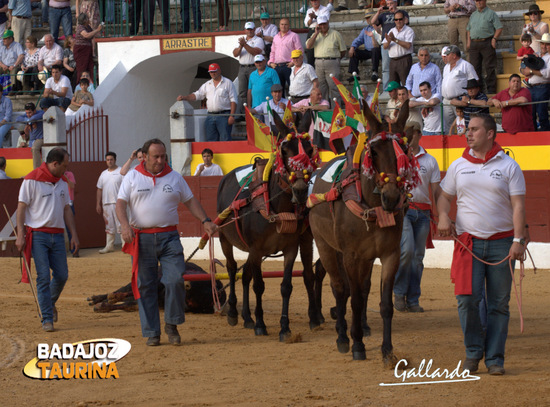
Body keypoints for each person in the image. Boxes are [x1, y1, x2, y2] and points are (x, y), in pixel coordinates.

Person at [437, 114, 527, 376]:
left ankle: (495, 358)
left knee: (499, 304)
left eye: (474, 129)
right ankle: (474, 352)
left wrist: (518, 240)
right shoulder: (458, 165)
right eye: (468, 129)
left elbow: (518, 205)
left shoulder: (509, 166)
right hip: (469, 244)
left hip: (502, 243)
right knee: (467, 300)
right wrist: (443, 215)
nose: (468, 133)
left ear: (490, 134)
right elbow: (444, 197)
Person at [116, 138, 217, 346]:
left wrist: (205, 220)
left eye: (163, 156)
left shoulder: (174, 177)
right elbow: (120, 203)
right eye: (156, 157)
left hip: (169, 237)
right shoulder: (133, 176)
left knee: (175, 279)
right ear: (144, 157)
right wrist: (125, 225)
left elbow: (190, 200)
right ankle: (153, 331)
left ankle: (171, 323)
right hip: (141, 238)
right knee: (145, 285)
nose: (160, 161)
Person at [16, 148, 79, 332]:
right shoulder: (31, 179)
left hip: (58, 234)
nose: (66, 170)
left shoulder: (62, 182)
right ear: (54, 164)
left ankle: (49, 303)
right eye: (64, 166)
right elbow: (21, 207)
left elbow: (67, 209)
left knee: (61, 275)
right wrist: (21, 233)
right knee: (43, 276)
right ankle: (47, 319)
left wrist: (74, 234)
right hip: (38, 235)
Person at [394, 127, 440, 313]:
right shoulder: (398, 157)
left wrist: (441, 214)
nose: (409, 138)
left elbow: (436, 190)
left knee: (417, 257)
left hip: (423, 212)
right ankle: (399, 293)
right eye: (406, 135)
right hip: (404, 210)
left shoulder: (430, 160)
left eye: (412, 135)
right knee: (407, 252)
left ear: (419, 136)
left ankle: (412, 299)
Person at [177, 63, 237, 141]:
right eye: (211, 72)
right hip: (210, 115)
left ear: (219, 71)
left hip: (224, 115)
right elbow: (197, 95)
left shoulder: (228, 83)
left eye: (214, 71)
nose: (212, 73)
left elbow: (233, 100)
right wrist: (184, 97)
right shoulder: (207, 84)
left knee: (225, 139)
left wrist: (232, 116)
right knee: (210, 140)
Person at [305, 14, 346, 104]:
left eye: (324, 24)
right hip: (319, 62)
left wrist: (335, 60)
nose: (323, 26)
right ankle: (323, 109)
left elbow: (343, 51)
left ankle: (336, 110)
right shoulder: (315, 35)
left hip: (332, 62)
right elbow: (308, 46)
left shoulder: (336, 34)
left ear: (328, 23)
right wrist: (315, 33)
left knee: (334, 87)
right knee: (321, 89)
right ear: (318, 25)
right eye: (321, 24)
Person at [466, 0, 502, 94]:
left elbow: (499, 27)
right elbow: (468, 29)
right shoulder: (473, 15)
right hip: (474, 44)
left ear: (485, 1)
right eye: (476, 1)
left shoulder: (491, 13)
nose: (478, 2)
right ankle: (478, 91)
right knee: (474, 69)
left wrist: (494, 39)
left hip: (487, 42)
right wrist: (469, 42)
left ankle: (491, 91)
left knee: (489, 67)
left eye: (480, 0)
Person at [372, 0, 409, 90]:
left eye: (391, 4)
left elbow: (407, 22)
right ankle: (387, 89)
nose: (389, 6)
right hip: (386, 43)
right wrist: (378, 12)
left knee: (400, 68)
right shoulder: (383, 15)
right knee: (385, 68)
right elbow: (372, 22)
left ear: (396, 3)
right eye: (387, 4)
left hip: (398, 42)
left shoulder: (402, 13)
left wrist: (396, 12)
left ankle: (401, 89)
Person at [441, 45, 478, 134]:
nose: (446, 57)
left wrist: (469, 98)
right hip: (446, 100)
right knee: (447, 127)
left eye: (448, 54)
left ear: (454, 55)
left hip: (460, 99)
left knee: (462, 126)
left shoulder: (466, 65)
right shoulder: (446, 67)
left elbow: (475, 81)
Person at [233, 22, 264, 116]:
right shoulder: (241, 41)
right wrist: (241, 46)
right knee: (242, 92)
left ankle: (254, 111)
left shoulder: (258, 40)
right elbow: (235, 53)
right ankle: (243, 113)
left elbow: (255, 52)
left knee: (253, 90)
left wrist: (244, 44)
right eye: (248, 29)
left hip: (253, 67)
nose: (249, 31)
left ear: (254, 29)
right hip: (242, 67)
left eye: (251, 29)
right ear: (245, 30)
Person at [520, 33, 550, 131]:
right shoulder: (535, 54)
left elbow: (547, 74)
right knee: (530, 114)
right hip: (531, 87)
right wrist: (523, 71)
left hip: (543, 87)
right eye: (543, 44)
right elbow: (522, 66)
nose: (544, 46)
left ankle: (545, 136)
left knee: (541, 114)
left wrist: (531, 71)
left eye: (547, 44)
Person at [96, 151, 123, 254]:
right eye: (108, 160)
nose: (109, 161)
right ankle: (109, 246)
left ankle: (125, 246)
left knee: (121, 224)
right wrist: (98, 203)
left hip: (118, 203)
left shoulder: (121, 171)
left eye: (111, 159)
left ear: (115, 160)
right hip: (106, 203)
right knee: (109, 226)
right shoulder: (103, 174)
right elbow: (99, 189)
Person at [267, 18, 301, 97]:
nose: (284, 26)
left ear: (289, 25)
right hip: (277, 67)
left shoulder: (294, 36)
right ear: (279, 25)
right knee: (278, 91)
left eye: (285, 24)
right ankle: (281, 108)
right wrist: (271, 62)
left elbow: (299, 50)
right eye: (282, 24)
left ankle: (293, 107)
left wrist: (293, 62)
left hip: (289, 66)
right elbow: (273, 52)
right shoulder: (276, 37)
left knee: (293, 89)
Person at [347, 11, 382, 83]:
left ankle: (375, 72)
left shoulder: (380, 27)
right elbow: (358, 39)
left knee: (375, 50)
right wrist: (352, 47)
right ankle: (355, 73)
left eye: (369, 17)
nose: (368, 20)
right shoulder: (365, 29)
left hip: (378, 51)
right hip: (368, 51)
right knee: (355, 51)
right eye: (366, 18)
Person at [382, 10, 414, 86]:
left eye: (400, 19)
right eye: (396, 19)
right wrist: (389, 41)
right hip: (393, 60)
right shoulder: (392, 30)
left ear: (404, 20)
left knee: (406, 84)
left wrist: (395, 40)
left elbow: (408, 45)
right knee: (393, 85)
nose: (398, 21)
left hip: (404, 59)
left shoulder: (409, 31)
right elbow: (384, 46)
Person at [73, 13, 103, 84]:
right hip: (81, 51)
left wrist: (99, 31)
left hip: (88, 50)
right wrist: (97, 30)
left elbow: (93, 34)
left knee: (91, 69)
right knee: (81, 70)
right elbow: (86, 35)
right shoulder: (80, 27)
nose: (89, 19)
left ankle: (92, 86)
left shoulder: (88, 27)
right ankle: (79, 87)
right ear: (84, 20)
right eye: (87, 18)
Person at [303, 0, 331, 68]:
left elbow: (325, 20)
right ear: (311, 2)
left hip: (321, 31)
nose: (315, 2)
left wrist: (315, 16)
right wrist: (311, 18)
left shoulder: (325, 9)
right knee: (310, 54)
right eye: (313, 1)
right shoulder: (309, 10)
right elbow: (307, 24)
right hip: (311, 30)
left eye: (316, 0)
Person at [16, 102, 43, 168]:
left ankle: (37, 169)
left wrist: (30, 121)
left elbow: (36, 117)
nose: (28, 114)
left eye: (30, 112)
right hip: (32, 140)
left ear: (34, 110)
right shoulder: (27, 115)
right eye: (27, 113)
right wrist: (29, 121)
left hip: (41, 138)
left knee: (34, 148)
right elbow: (18, 118)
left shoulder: (40, 113)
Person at [0, 29, 24, 94]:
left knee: (14, 71)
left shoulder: (17, 45)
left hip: (14, 66)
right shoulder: (2, 47)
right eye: (3, 38)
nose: (3, 40)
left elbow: (21, 56)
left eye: (5, 39)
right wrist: (2, 65)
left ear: (11, 39)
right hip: (3, 66)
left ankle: (13, 88)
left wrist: (14, 65)